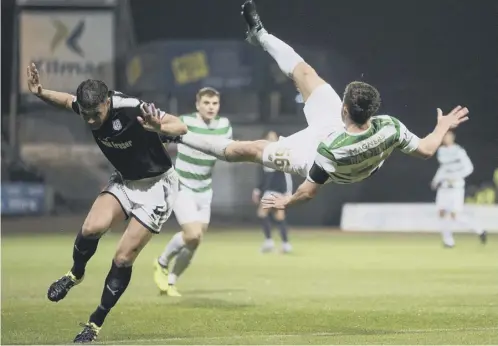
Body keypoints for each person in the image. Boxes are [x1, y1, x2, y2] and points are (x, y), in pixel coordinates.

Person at [142, 0, 469, 212]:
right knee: (306, 73)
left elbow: (310, 191)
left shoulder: (330, 150)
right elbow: (426, 150)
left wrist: (287, 200)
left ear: (344, 109)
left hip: (314, 154)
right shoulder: (389, 126)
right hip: (342, 138)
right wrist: (442, 126)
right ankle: (261, 35)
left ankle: (180, 135)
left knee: (250, 149)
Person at [26, 63, 187, 343]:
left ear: (107, 102)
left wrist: (158, 126)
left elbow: (181, 125)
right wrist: (39, 92)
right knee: (91, 228)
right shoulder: (88, 106)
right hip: (125, 181)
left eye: (95, 114)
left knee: (123, 257)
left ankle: (94, 323)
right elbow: (67, 100)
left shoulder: (132, 107)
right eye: (85, 115)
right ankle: (75, 275)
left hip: (157, 186)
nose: (90, 121)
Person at [153, 87, 232, 296]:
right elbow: (161, 133)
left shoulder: (224, 126)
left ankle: (171, 281)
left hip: (205, 191)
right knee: (192, 233)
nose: (211, 107)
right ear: (198, 105)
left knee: (195, 241)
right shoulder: (185, 122)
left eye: (214, 103)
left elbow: (229, 151)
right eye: (206, 103)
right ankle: (161, 262)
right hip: (182, 186)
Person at [431, 130, 487, 247]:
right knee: (441, 213)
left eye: (448, 136)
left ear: (452, 138)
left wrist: (455, 177)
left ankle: (480, 230)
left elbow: (469, 168)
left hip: (456, 188)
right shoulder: (441, 151)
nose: (446, 138)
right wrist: (436, 180)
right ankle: (448, 241)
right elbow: (443, 168)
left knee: (455, 216)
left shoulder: (459, 151)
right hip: (444, 188)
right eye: (444, 136)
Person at [252, 130, 293, 253]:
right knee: (279, 217)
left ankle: (269, 241)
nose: (271, 140)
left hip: (275, 190)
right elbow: (265, 177)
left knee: (262, 213)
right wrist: (257, 189)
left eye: (273, 138)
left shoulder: (280, 155)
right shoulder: (265, 156)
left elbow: (287, 174)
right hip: (272, 190)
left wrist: (288, 192)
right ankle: (285, 244)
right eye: (269, 138)